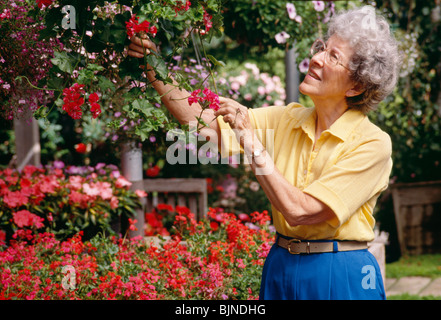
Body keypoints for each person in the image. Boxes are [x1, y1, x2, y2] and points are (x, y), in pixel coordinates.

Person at [128, 5, 401, 300]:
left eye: (333, 56)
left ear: (356, 86)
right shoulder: (287, 118)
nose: (316, 58)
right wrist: (153, 65)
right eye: (321, 47)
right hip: (281, 264)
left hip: (339, 271)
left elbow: (300, 211)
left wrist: (252, 142)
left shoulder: (372, 143)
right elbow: (202, 121)